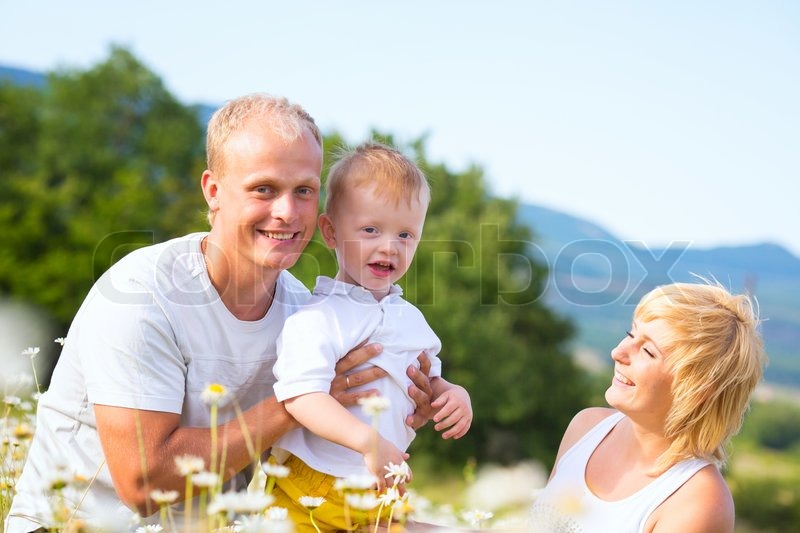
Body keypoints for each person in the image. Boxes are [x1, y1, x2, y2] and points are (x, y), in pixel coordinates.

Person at [6, 94, 435, 532]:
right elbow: (144, 484)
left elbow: (308, 463)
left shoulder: (302, 309)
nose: (287, 212)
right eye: (264, 188)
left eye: (303, 190)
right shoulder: (141, 295)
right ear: (213, 191)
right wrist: (299, 402)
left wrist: (400, 400)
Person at [268, 142, 473, 531]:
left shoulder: (411, 319)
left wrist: (452, 395)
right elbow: (301, 397)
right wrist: (369, 442)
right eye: (370, 230)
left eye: (406, 234)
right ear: (330, 231)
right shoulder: (317, 317)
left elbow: (428, 382)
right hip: (313, 482)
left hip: (381, 488)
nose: (389, 246)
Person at [529, 281, 767, 532]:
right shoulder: (586, 427)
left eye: (647, 351)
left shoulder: (698, 500)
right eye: (630, 335)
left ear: (698, 391)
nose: (617, 352)